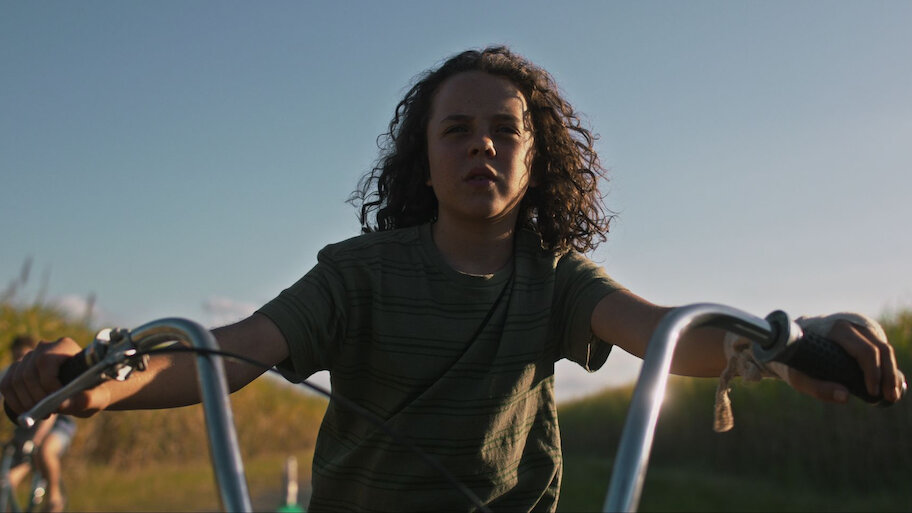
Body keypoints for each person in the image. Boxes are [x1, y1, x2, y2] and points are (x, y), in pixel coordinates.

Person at [0, 47, 904, 512]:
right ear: (423, 161)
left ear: (535, 161)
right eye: (458, 130)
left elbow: (664, 332)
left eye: (506, 131)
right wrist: (99, 380)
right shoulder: (356, 274)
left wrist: (790, 342)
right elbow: (230, 352)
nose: (483, 146)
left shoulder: (556, 278)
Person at [3, 335, 75, 513]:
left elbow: (50, 412)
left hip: (56, 424)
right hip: (28, 428)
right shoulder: (9, 376)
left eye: (24, 356)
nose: (20, 361)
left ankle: (54, 498)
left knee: (46, 451)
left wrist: (36, 439)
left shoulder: (42, 374)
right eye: (16, 356)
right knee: (6, 480)